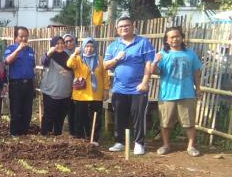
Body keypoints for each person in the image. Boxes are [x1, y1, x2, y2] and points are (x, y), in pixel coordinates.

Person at [103, 15, 155, 155]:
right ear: (117, 30)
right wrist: (116, 58)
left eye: (127, 25)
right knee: (119, 115)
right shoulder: (113, 46)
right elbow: (105, 65)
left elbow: (148, 64)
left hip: (138, 88)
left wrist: (144, 83)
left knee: (138, 116)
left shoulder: (143, 43)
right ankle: (119, 142)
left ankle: (139, 143)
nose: (124, 28)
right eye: (121, 27)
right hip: (119, 88)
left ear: (133, 26)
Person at [153, 26, 202, 157]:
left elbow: (196, 72)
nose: (175, 39)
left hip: (187, 93)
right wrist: (155, 62)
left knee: (189, 122)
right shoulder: (162, 54)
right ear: (167, 40)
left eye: (177, 36)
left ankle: (191, 146)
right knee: (165, 122)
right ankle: (166, 145)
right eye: (171, 37)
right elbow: (155, 72)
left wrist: (198, 88)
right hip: (167, 94)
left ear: (182, 37)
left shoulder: (190, 54)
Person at [67, 37, 107, 143]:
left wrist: (106, 90)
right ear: (83, 47)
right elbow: (69, 64)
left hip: (96, 94)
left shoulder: (100, 59)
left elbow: (105, 75)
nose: (89, 49)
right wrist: (74, 54)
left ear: (95, 47)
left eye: (92, 46)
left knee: (95, 118)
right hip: (81, 94)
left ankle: (93, 139)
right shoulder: (78, 58)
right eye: (87, 46)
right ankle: (79, 140)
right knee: (80, 118)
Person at [39, 36, 74, 135]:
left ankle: (57, 135)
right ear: (52, 45)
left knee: (61, 116)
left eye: (62, 43)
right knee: (49, 115)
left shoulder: (67, 56)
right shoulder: (50, 56)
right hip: (50, 92)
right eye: (57, 43)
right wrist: (49, 52)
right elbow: (43, 61)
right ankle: (45, 134)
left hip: (65, 93)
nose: (60, 45)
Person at [4, 26, 36, 135]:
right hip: (16, 84)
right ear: (16, 38)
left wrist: (34, 85)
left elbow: (32, 67)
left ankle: (24, 132)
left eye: (26, 36)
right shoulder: (11, 48)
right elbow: (7, 61)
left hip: (29, 84)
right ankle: (14, 133)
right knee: (16, 110)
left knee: (27, 110)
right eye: (21, 36)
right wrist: (18, 49)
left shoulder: (30, 50)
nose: (24, 39)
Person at [62, 33, 77, 136]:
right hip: (67, 84)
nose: (69, 43)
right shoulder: (62, 54)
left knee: (79, 109)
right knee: (70, 109)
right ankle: (72, 132)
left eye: (70, 40)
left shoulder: (79, 53)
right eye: (66, 41)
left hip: (80, 85)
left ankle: (80, 131)